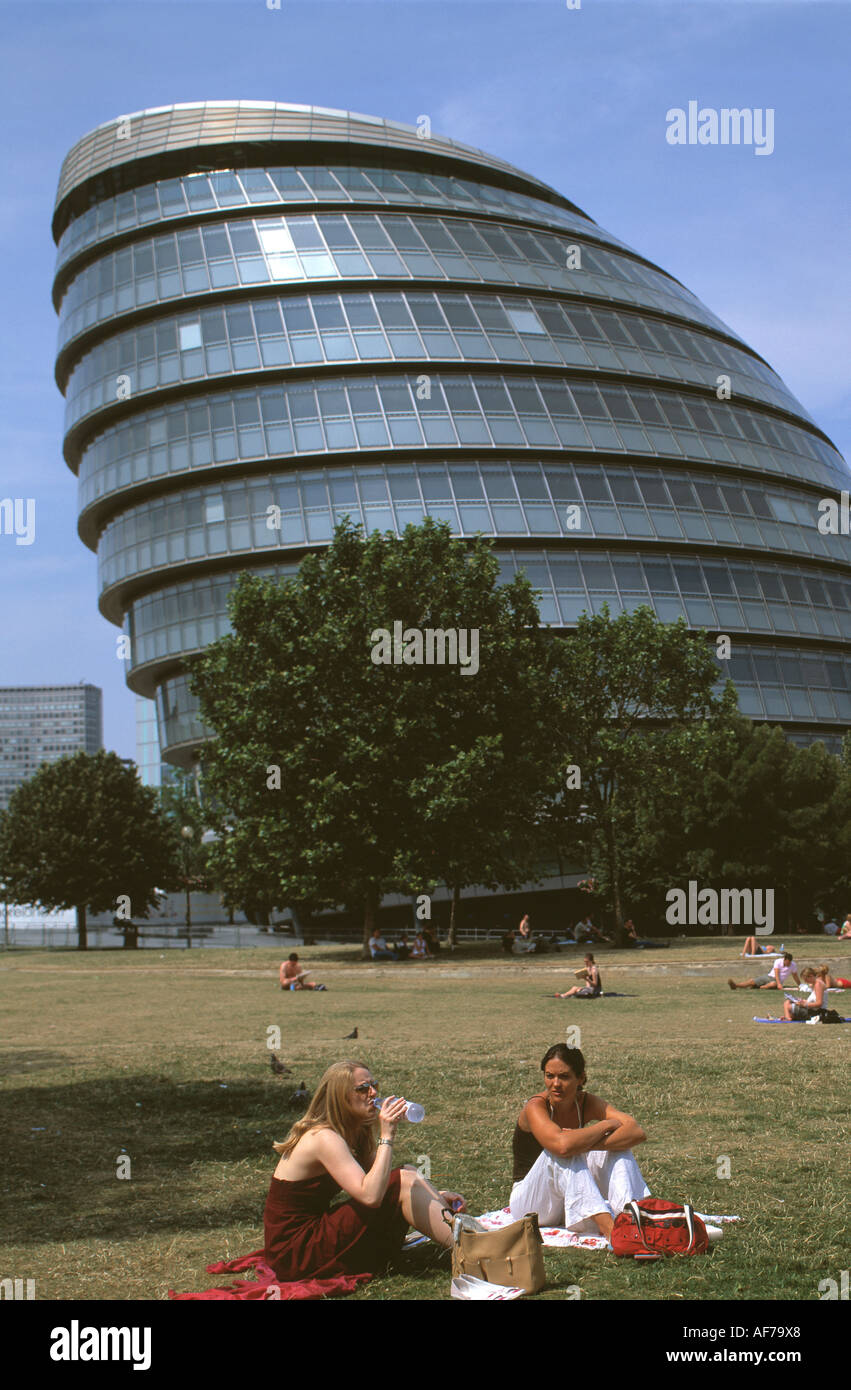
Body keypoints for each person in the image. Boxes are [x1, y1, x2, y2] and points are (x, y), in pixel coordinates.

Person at [264, 1060, 466, 1280]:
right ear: (341, 1097)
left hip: (311, 1236)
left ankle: (471, 1242)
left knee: (407, 1174)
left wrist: (432, 1197)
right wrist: (387, 1136)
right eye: (362, 1089)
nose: (373, 1093)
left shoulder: (353, 1130)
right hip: (295, 1253)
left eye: (374, 1085)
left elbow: (381, 1183)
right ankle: (473, 1252)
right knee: (404, 1179)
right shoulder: (323, 1137)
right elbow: (371, 1196)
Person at [508, 1044, 649, 1237]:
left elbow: (636, 1131)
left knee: (618, 1148)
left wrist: (588, 1145)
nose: (555, 1084)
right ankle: (612, 1233)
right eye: (549, 1076)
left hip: (565, 1199)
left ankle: (630, 1217)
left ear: (580, 1078)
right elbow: (562, 1146)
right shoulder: (536, 1106)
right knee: (562, 1152)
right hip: (530, 1204)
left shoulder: (585, 1102)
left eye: (564, 1077)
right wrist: (605, 1125)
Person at [728, 951, 799, 991]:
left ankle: (760, 987)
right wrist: (779, 984)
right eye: (787, 962)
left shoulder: (793, 965)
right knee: (752, 981)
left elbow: (795, 976)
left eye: (790, 962)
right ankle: (735, 985)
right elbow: (776, 973)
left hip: (776, 982)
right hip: (769, 977)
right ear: (784, 959)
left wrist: (800, 985)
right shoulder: (778, 961)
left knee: (773, 984)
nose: (788, 964)